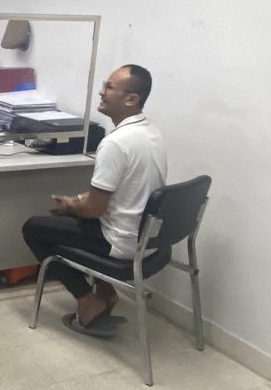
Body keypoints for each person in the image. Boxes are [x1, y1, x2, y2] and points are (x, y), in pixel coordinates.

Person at [22, 64, 167, 336]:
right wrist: (77, 201)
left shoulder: (115, 143)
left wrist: (72, 207)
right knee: (74, 216)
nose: (101, 92)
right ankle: (105, 291)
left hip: (120, 242)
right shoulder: (151, 133)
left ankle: (88, 302)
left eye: (109, 87)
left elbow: (94, 209)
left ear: (131, 99)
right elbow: (116, 193)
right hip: (149, 240)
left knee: (34, 228)